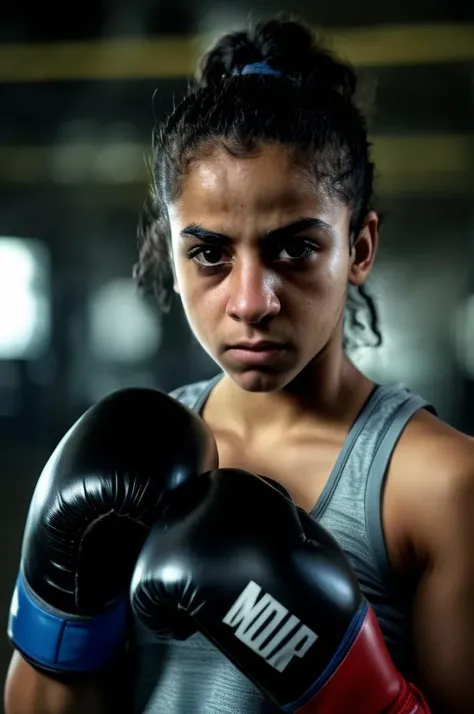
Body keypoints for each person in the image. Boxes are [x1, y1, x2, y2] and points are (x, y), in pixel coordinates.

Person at [4, 14, 474, 714]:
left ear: (361, 248)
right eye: (210, 254)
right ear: (172, 253)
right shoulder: (128, 457)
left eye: (294, 249)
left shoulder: (438, 485)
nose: (250, 302)